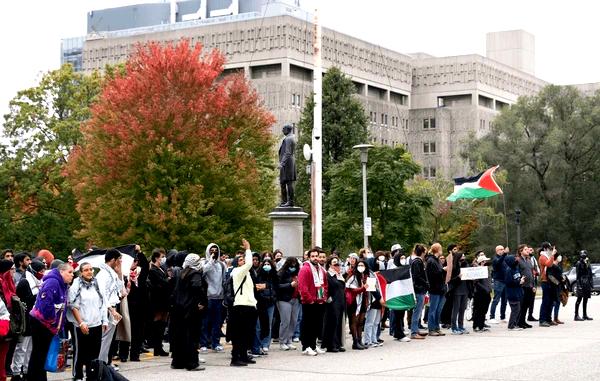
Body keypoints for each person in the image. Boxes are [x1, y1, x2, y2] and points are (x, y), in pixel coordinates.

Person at [27, 263, 74, 381]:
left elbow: (62, 307)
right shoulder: (53, 282)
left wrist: (59, 324)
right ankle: (34, 378)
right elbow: (46, 303)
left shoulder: (63, 284)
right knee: (38, 354)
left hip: (47, 323)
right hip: (41, 322)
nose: (72, 275)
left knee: (42, 354)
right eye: (70, 272)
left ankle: (40, 377)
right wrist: (53, 320)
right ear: (61, 272)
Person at [69, 262, 108, 381]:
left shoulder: (97, 284)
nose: (90, 272)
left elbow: (103, 303)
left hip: (96, 323)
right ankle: (78, 375)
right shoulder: (76, 285)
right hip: (82, 325)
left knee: (94, 353)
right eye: (86, 270)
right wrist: (81, 323)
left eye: (91, 269)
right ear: (80, 272)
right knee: (80, 352)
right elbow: (73, 306)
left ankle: (91, 376)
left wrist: (104, 321)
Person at [170, 254, 207, 371]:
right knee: (192, 336)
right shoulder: (195, 274)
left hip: (179, 309)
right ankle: (192, 363)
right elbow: (197, 287)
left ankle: (178, 362)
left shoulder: (182, 272)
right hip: (191, 309)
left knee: (180, 336)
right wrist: (202, 302)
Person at [11, 259, 45, 381]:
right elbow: (26, 302)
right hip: (25, 320)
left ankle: (26, 370)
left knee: (30, 347)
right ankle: (16, 372)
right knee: (22, 347)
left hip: (34, 319)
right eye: (40, 270)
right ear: (34, 270)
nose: (43, 273)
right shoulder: (25, 282)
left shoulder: (38, 281)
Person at [228, 239, 258, 367]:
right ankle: (235, 358)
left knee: (247, 333)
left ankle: (244, 355)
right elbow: (250, 263)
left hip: (249, 305)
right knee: (239, 334)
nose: (243, 261)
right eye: (240, 260)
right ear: (236, 263)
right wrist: (248, 249)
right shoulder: (237, 272)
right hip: (241, 306)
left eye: (243, 259)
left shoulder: (246, 274)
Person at [96, 249, 124, 367]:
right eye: (119, 260)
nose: (120, 262)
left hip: (111, 307)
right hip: (106, 309)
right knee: (104, 339)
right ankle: (101, 364)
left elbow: (121, 290)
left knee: (108, 339)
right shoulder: (103, 274)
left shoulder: (111, 273)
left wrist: (120, 272)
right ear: (113, 260)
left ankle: (105, 362)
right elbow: (102, 294)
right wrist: (111, 310)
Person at [298, 247, 328, 356]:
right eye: (313, 256)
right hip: (309, 302)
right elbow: (302, 286)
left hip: (319, 301)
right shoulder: (305, 269)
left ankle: (314, 346)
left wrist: (323, 297)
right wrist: (309, 300)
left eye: (317, 256)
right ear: (309, 257)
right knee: (308, 325)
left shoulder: (321, 269)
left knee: (316, 325)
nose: (315, 258)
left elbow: (324, 285)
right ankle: (306, 346)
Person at [201, 243, 226, 353]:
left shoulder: (221, 264)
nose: (214, 252)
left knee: (217, 322)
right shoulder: (205, 263)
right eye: (212, 250)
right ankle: (204, 343)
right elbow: (202, 272)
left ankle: (216, 343)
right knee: (205, 322)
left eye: (216, 250)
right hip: (208, 296)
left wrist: (224, 294)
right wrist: (210, 260)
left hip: (219, 297)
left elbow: (224, 280)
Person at [251, 258, 277, 355]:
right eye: (265, 264)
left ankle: (265, 344)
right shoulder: (258, 274)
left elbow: (276, 287)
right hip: (260, 302)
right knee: (259, 325)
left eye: (268, 264)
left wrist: (271, 291)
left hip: (270, 303)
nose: (266, 266)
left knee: (268, 325)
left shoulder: (274, 275)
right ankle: (257, 345)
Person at [147, 248, 170, 356]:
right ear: (156, 258)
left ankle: (159, 346)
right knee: (158, 321)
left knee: (163, 322)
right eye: (162, 257)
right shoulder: (153, 270)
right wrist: (168, 280)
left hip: (164, 299)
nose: (163, 259)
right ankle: (157, 346)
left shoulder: (161, 269)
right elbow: (161, 283)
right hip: (158, 299)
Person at [275, 257, 300, 351]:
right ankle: (282, 342)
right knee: (285, 321)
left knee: (294, 321)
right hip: (284, 299)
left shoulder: (297, 273)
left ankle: (289, 341)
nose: (293, 266)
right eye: (291, 264)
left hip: (296, 299)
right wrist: (290, 285)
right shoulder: (281, 273)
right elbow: (277, 286)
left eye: (295, 264)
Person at [322, 256, 346, 353]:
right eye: (335, 264)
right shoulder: (327, 275)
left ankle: (338, 343)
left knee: (339, 322)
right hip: (332, 302)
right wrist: (328, 298)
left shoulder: (339, 275)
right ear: (330, 265)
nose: (337, 265)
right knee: (332, 322)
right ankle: (331, 344)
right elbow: (325, 287)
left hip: (340, 301)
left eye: (338, 264)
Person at [426, 243, 446, 336]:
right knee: (433, 310)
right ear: (437, 250)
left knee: (439, 310)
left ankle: (437, 327)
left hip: (441, 288)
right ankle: (431, 328)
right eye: (440, 249)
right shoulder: (431, 261)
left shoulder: (437, 260)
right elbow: (433, 275)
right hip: (434, 289)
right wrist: (443, 270)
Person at [449, 252, 471, 334]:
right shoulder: (454, 267)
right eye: (462, 256)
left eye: (464, 256)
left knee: (462, 309)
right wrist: (458, 277)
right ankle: (454, 327)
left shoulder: (465, 265)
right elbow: (450, 280)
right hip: (457, 290)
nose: (464, 257)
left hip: (465, 289)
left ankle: (461, 326)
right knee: (456, 309)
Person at [0, 260, 15, 381]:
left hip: (5, 324)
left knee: (2, 358)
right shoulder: (2, 282)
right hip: (4, 322)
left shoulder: (5, 281)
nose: (12, 272)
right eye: (10, 270)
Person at [410, 244, 429, 340]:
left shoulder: (418, 261)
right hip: (418, 289)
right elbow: (417, 276)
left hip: (420, 288)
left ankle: (416, 329)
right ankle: (414, 332)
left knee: (419, 310)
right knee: (417, 310)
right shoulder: (417, 262)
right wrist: (426, 283)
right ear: (422, 252)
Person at [538, 242, 556, 327]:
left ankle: (548, 319)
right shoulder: (542, 257)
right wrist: (552, 255)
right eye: (549, 248)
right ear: (545, 249)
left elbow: (552, 265)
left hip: (551, 281)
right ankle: (542, 320)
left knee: (551, 301)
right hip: (545, 281)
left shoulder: (548, 256)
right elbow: (548, 264)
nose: (551, 250)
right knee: (545, 301)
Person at [472, 254, 492, 332]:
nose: (487, 262)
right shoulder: (477, 269)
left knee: (484, 310)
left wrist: (489, 289)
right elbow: (476, 282)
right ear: (482, 262)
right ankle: (476, 326)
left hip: (487, 293)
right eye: (485, 261)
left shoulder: (486, 269)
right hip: (479, 293)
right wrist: (485, 289)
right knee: (478, 309)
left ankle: (481, 325)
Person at [504, 255, 524, 330]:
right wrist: (519, 282)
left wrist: (521, 280)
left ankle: (515, 324)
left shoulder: (516, 268)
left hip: (518, 292)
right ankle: (511, 325)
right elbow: (509, 282)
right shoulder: (509, 270)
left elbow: (517, 278)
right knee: (515, 309)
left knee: (518, 309)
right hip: (512, 293)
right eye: (515, 259)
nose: (516, 260)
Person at [278, 124, 296, 207]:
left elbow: (288, 152)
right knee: (282, 182)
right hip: (285, 164)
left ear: (287, 129)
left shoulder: (289, 139)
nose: (282, 130)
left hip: (287, 164)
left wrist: (282, 163)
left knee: (289, 182)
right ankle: (284, 201)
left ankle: (290, 201)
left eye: (283, 129)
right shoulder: (288, 138)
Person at [488, 245, 508, 324]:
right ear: (497, 251)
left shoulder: (504, 258)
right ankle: (492, 317)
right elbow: (498, 263)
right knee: (496, 300)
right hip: (498, 281)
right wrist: (504, 255)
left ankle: (502, 317)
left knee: (504, 300)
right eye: (501, 249)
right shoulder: (495, 259)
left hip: (505, 281)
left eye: (503, 249)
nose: (502, 250)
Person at [517, 245, 534, 329]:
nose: (528, 251)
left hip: (529, 286)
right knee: (522, 305)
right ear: (521, 251)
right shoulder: (518, 260)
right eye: (525, 249)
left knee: (527, 304)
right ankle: (519, 322)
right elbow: (516, 272)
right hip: (522, 286)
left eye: (528, 249)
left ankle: (523, 321)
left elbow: (531, 272)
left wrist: (533, 285)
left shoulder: (528, 260)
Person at [575, 250, 593, 321]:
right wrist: (579, 285)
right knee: (579, 299)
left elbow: (590, 273)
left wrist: (591, 283)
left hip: (587, 282)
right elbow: (578, 276)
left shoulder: (587, 262)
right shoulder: (579, 263)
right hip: (581, 282)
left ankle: (584, 315)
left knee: (586, 299)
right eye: (582, 254)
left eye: (584, 254)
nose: (583, 255)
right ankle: (576, 315)